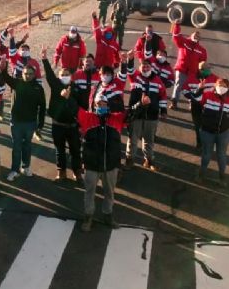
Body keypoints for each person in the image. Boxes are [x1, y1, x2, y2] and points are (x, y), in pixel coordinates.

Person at [79, 96, 125, 232]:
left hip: (111, 166)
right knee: (89, 192)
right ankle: (88, 216)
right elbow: (72, 107)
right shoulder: (88, 118)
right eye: (98, 104)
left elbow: (133, 113)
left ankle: (108, 215)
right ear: (94, 106)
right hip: (92, 165)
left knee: (109, 192)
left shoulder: (116, 119)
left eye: (104, 104)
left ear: (108, 105)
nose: (101, 106)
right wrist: (65, 95)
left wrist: (142, 103)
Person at [42, 46, 84, 185]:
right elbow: (48, 74)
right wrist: (44, 59)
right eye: (62, 74)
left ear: (71, 77)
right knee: (59, 150)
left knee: (75, 150)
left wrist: (68, 98)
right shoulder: (55, 85)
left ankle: (77, 173)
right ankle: (61, 172)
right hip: (58, 124)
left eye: (67, 74)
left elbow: (80, 105)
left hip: (72, 126)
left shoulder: (76, 88)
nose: (65, 76)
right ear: (59, 77)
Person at [3, 59, 46, 182]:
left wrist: (40, 123)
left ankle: (26, 167)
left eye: (30, 74)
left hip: (30, 123)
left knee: (27, 145)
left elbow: (42, 107)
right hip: (16, 122)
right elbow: (5, 76)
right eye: (25, 73)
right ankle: (14, 170)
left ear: (35, 74)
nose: (28, 76)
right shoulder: (17, 83)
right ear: (22, 74)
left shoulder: (38, 88)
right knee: (16, 147)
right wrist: (3, 65)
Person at [195, 78, 229, 187]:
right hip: (207, 131)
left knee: (221, 156)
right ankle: (201, 175)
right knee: (206, 155)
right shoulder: (207, 95)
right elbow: (196, 99)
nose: (221, 87)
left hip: (224, 133)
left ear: (228, 88)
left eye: (224, 86)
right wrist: (200, 89)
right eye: (219, 84)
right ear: (215, 85)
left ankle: (222, 178)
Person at [126, 60, 168, 171]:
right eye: (143, 67)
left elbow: (163, 96)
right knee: (132, 140)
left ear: (151, 67)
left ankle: (149, 161)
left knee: (149, 140)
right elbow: (129, 71)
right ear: (139, 68)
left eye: (147, 67)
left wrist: (163, 110)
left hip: (152, 116)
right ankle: (129, 160)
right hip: (136, 115)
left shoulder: (158, 81)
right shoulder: (136, 78)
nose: (145, 69)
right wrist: (130, 60)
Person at [182, 62, 220, 149]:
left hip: (209, 106)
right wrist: (194, 95)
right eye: (208, 70)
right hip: (196, 106)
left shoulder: (215, 79)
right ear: (201, 70)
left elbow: (221, 91)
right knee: (198, 126)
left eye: (210, 69)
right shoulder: (191, 79)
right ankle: (200, 143)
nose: (210, 71)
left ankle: (208, 143)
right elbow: (185, 91)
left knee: (209, 125)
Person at [170, 20, 207, 109]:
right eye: (195, 35)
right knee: (178, 86)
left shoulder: (202, 50)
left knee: (192, 88)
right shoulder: (184, 42)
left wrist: (202, 71)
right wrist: (177, 25)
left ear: (200, 38)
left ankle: (192, 103)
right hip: (181, 69)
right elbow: (175, 36)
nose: (196, 36)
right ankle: (174, 102)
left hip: (193, 72)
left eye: (198, 36)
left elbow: (203, 62)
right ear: (191, 35)